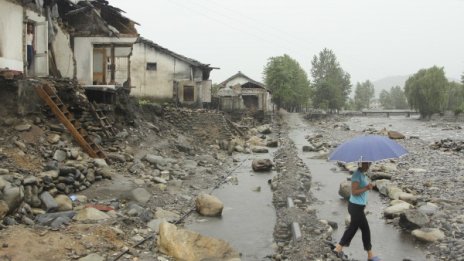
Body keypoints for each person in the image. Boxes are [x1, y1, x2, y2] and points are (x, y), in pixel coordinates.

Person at [333, 161, 382, 261]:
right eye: (366, 163)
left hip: (358, 207)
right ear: (361, 163)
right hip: (355, 207)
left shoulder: (363, 174)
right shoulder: (356, 175)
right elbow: (354, 192)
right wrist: (366, 188)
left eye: (369, 163)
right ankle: (369, 255)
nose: (368, 165)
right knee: (362, 229)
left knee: (355, 228)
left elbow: (363, 188)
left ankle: (339, 248)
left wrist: (369, 187)